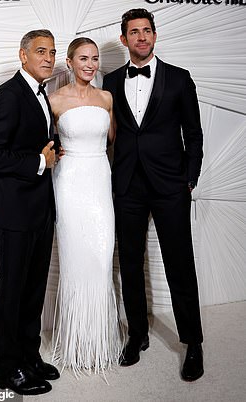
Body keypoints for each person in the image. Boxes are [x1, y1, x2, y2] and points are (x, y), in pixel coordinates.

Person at [103, 8, 204, 381]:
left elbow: (193, 134)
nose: (142, 37)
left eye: (147, 30)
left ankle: (193, 343)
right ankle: (137, 336)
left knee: (180, 264)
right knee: (130, 263)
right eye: (134, 32)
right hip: (127, 185)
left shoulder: (179, 79)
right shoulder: (110, 81)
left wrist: (189, 179)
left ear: (155, 35)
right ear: (124, 38)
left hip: (170, 186)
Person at [0, 29, 60, 395]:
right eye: (40, 51)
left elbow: (33, 140)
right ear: (23, 55)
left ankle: (29, 356)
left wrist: (53, 153)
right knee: (12, 290)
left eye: (53, 52)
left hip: (40, 207)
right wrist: (38, 162)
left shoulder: (40, 94)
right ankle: (5, 369)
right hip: (13, 210)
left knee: (33, 289)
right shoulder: (9, 94)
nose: (48, 58)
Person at [49, 37, 124, 375]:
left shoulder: (106, 97)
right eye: (83, 58)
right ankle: (77, 343)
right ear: (69, 62)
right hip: (69, 185)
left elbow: (119, 144)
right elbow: (43, 143)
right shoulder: (54, 100)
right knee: (75, 257)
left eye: (95, 58)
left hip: (99, 179)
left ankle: (101, 342)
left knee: (101, 253)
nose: (91, 64)